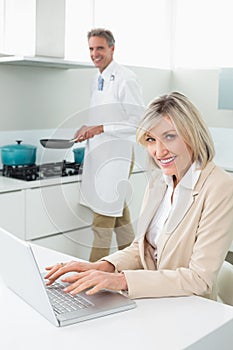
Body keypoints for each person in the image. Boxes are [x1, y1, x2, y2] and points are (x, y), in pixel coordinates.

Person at [45, 92, 233, 301]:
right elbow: (143, 248)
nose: (158, 151)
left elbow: (199, 278)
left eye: (169, 136)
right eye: (151, 139)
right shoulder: (159, 181)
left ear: (192, 134)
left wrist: (121, 280)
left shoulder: (220, 187)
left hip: (191, 307)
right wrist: (103, 266)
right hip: (153, 299)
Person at [74, 29, 145, 262]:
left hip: (117, 156)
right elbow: (104, 116)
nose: (95, 54)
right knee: (120, 217)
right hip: (99, 156)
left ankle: (91, 276)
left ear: (112, 49)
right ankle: (137, 265)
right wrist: (88, 127)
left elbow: (137, 122)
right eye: (91, 49)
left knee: (102, 223)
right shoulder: (97, 79)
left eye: (100, 48)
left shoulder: (126, 78)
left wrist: (100, 128)